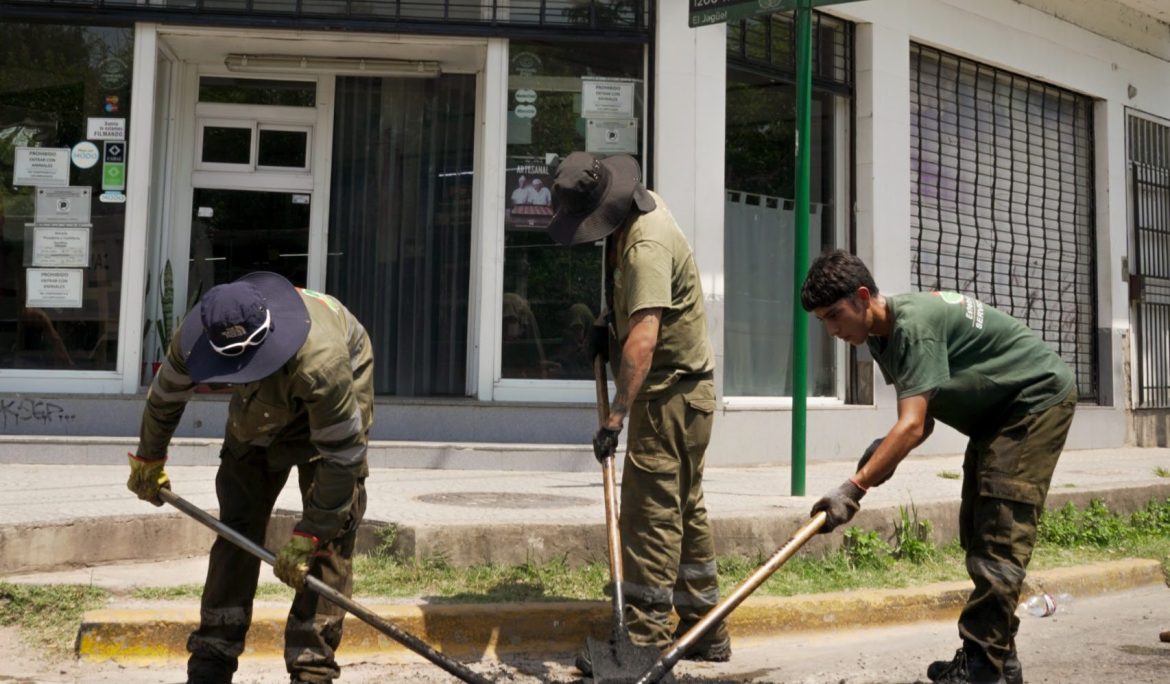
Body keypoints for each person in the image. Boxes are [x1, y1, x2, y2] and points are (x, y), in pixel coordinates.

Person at [800, 249, 1077, 684]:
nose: (832, 330)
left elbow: (910, 428)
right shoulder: (879, 336)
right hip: (996, 415)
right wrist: (882, 454)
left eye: (835, 316)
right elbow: (921, 418)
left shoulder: (913, 327)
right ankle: (999, 660)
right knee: (976, 524)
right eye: (823, 322)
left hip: (1033, 402)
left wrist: (853, 488)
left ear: (862, 296)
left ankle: (983, 666)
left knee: (1000, 529)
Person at [127, 271, 373, 684]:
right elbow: (165, 397)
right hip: (259, 411)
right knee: (236, 528)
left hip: (329, 393)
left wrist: (311, 532)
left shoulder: (324, 363)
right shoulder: (196, 334)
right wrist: (149, 457)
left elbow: (342, 458)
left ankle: (311, 666)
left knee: (329, 536)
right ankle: (212, 657)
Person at [546, 152, 731, 673]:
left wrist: (615, 418)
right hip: (685, 393)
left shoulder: (645, 245)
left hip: (667, 394)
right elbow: (635, 315)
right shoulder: (637, 216)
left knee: (649, 515)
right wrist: (608, 323)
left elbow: (644, 340)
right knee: (684, 506)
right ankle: (704, 628)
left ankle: (643, 642)